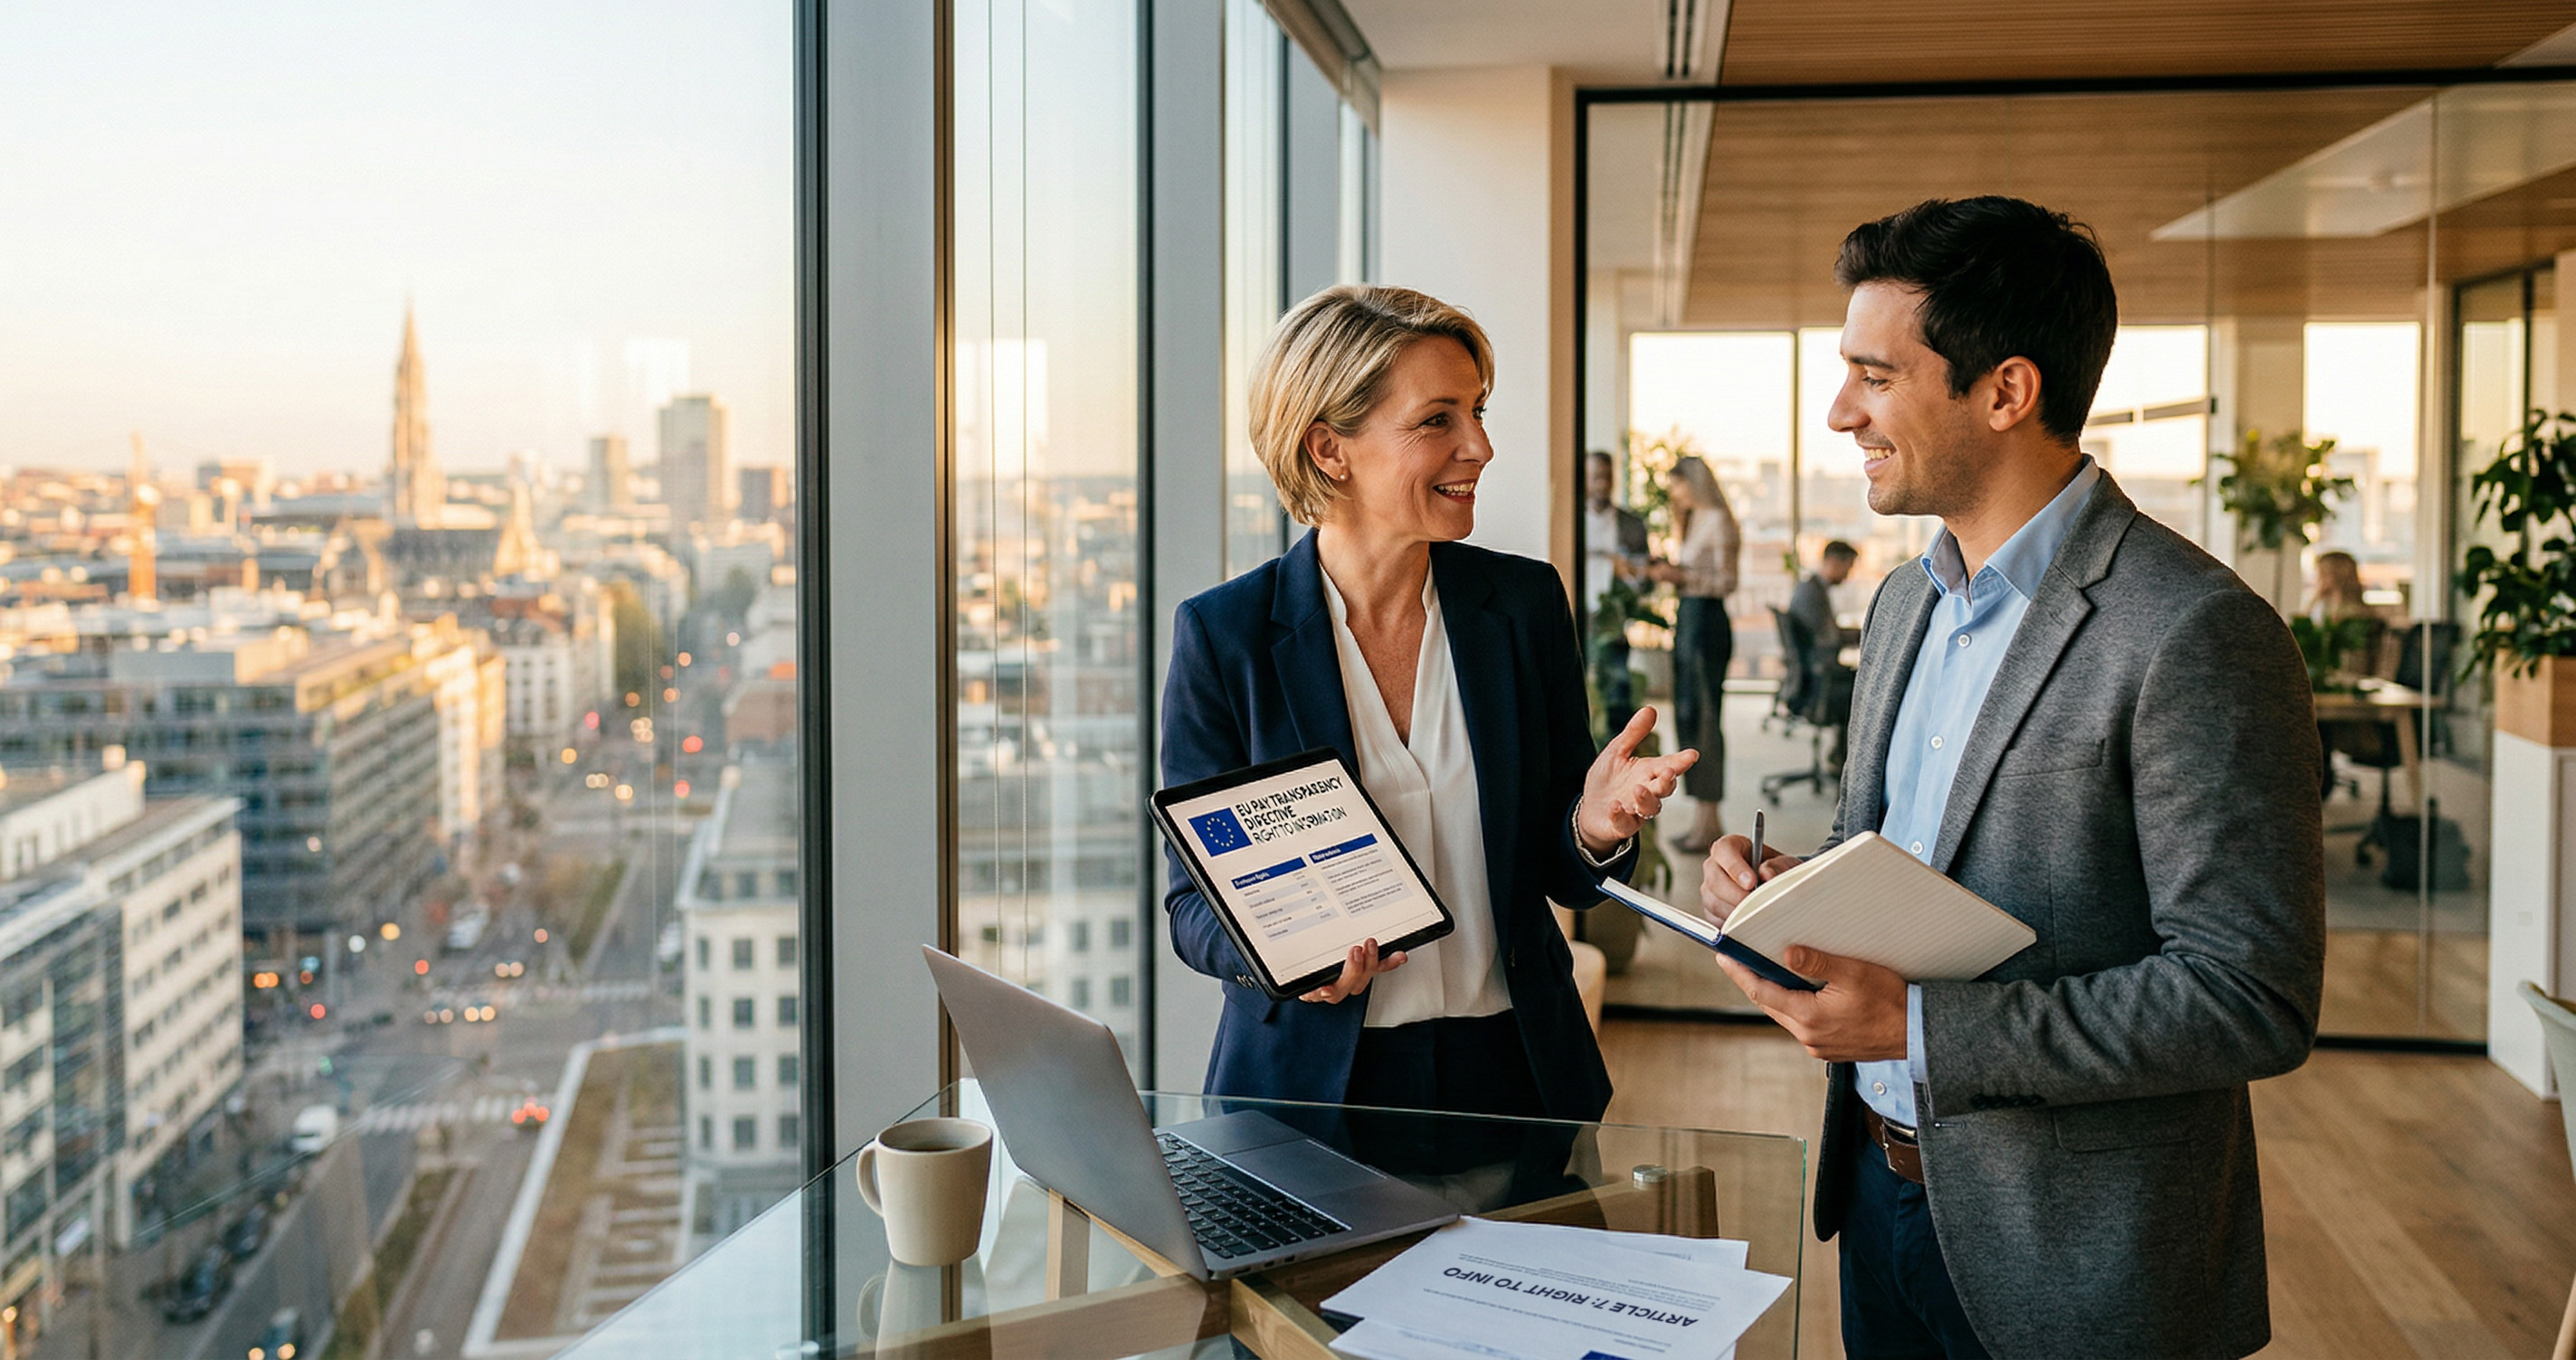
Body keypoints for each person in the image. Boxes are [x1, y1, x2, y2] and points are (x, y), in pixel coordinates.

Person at [1700, 198, 2324, 1359]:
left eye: (1874, 376)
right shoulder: (1900, 605)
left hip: (2076, 1261)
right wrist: (1791, 892)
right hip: (1882, 1202)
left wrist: (1924, 1030)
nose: (1841, 412)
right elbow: (1902, 873)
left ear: (2005, 391)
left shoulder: (2192, 632)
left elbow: (2251, 995)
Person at [1161, 284, 1696, 1125]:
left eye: (1478, 412)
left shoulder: (1520, 607)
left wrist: (1593, 828)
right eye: (1437, 419)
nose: (1480, 446)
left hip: (1517, 1076)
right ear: (1329, 448)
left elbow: (1562, 873)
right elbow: (1193, 908)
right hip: (1308, 1089)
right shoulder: (1225, 637)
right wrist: (1286, 954)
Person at [1646, 455, 1738, 853]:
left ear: (1694, 482)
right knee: (1687, 714)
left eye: (1678, 485)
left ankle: (1710, 822)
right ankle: (1705, 820)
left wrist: (1679, 575)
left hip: (1707, 624)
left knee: (1704, 716)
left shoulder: (1718, 519)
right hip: (1688, 619)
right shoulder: (1692, 521)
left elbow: (1727, 582)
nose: (1674, 494)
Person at [1585, 449, 1651, 733]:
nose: (1602, 484)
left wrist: (1630, 573)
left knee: (1619, 695)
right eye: (1595, 477)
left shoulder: (1632, 525)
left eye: (1607, 477)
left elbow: (1647, 582)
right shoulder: (1566, 521)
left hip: (1615, 623)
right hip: (1578, 617)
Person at [1788, 539, 1860, 768]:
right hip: (1820, 682)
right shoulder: (1812, 593)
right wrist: (1866, 634)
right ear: (1832, 562)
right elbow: (1828, 640)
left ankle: (1840, 757)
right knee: (1866, 691)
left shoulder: (1811, 587)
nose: (1847, 576)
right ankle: (1845, 762)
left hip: (1813, 675)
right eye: (1847, 568)